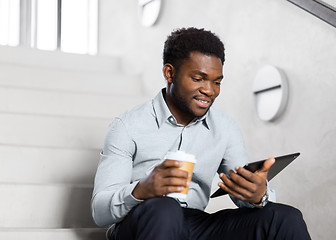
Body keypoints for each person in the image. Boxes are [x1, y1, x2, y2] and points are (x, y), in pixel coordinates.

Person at [91, 27, 311, 240]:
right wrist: (142, 189)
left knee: (284, 218)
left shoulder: (225, 127)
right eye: (198, 79)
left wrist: (258, 195)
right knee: (165, 209)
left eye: (217, 82)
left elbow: (240, 186)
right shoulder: (127, 126)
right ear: (170, 73)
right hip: (142, 220)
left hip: (195, 223)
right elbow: (100, 211)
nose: (209, 90)